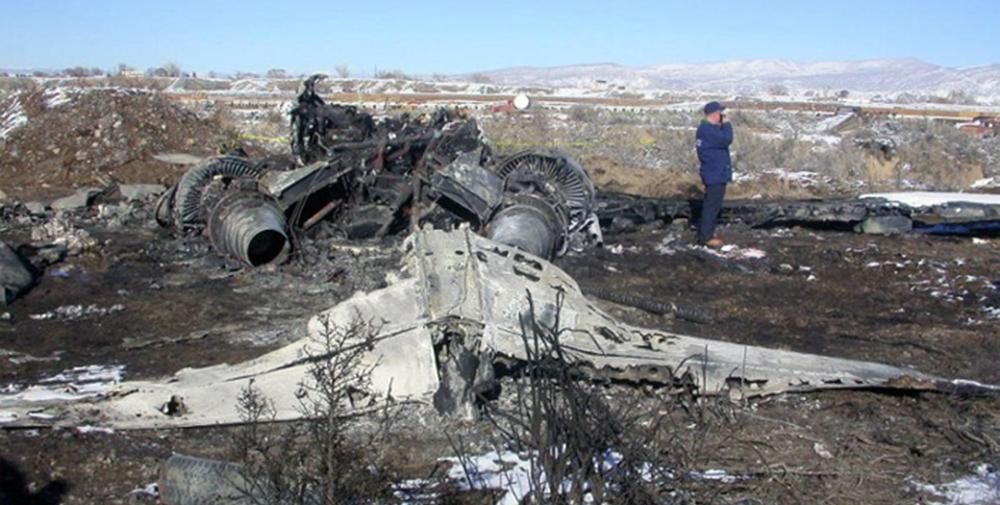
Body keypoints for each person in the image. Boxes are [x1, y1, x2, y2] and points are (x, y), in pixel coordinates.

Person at [695, 101, 734, 248]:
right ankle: (706, 237)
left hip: (714, 172)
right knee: (711, 206)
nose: (722, 116)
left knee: (713, 204)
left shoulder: (707, 129)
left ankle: (707, 233)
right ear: (714, 114)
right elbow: (727, 139)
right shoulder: (707, 130)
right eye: (720, 114)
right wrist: (727, 123)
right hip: (714, 173)